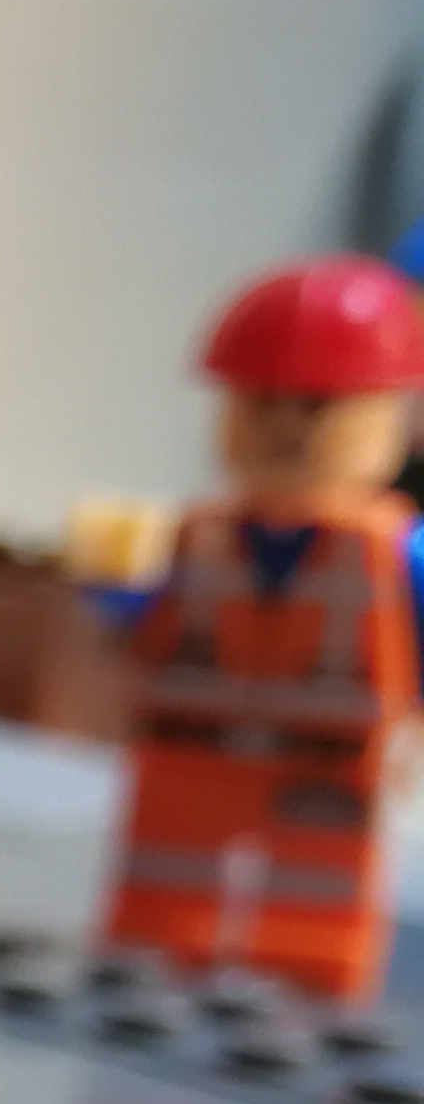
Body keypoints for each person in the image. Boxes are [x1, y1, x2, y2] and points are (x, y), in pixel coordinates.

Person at [108, 255, 424, 1005]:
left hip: (328, 765)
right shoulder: (198, 534)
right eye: (259, 404)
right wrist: (111, 596)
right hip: (191, 753)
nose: (286, 429)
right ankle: (149, 967)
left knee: (312, 901)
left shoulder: (395, 552)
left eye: (317, 408)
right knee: (164, 886)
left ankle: (303, 989)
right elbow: (148, 623)